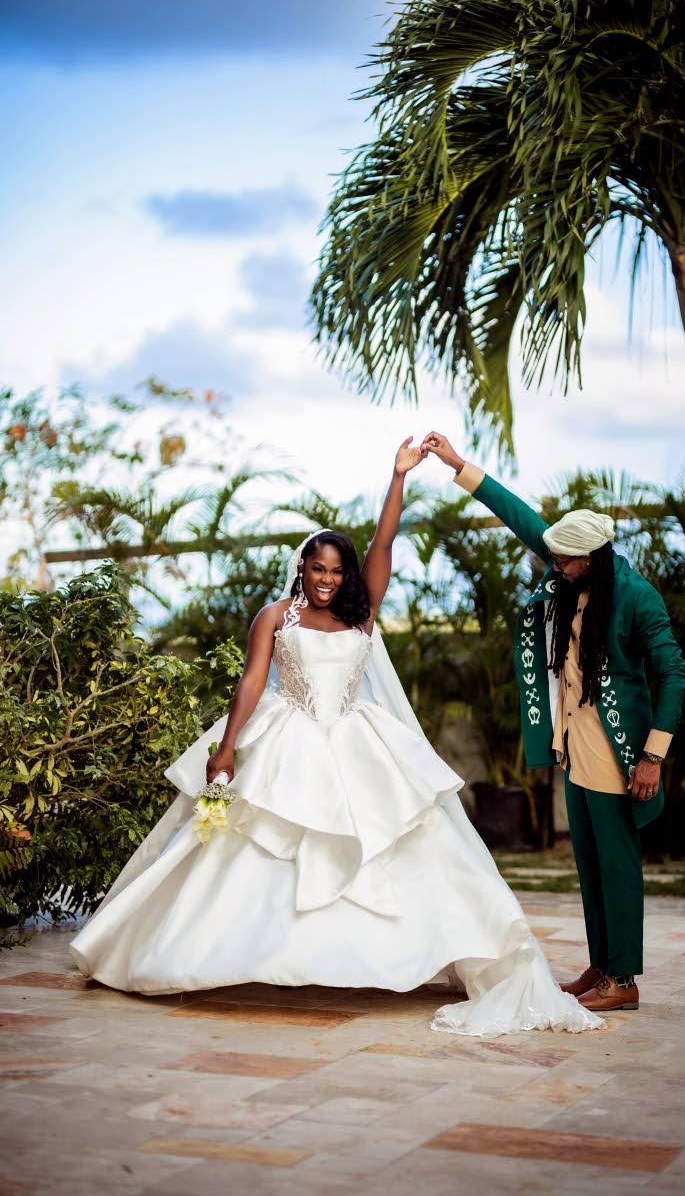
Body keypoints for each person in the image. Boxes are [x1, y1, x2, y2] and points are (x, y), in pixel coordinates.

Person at [70, 438, 602, 1036]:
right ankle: (213, 954)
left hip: (355, 739)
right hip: (287, 736)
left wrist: (397, 475)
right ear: (302, 567)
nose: (326, 579)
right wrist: (225, 749)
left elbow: (384, 542)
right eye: (317, 568)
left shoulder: (361, 612)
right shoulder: (275, 615)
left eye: (335, 570)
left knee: (398, 839)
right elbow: (250, 682)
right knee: (251, 848)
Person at [422, 432, 685, 1014]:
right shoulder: (573, 574)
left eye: (566, 559)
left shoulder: (637, 599)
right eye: (558, 557)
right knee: (589, 863)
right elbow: (521, 519)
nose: (557, 566)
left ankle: (625, 979)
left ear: (593, 557)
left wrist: (653, 755)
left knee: (618, 863)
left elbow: (674, 674)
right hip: (575, 745)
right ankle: (602, 964)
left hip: (619, 752)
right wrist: (458, 466)